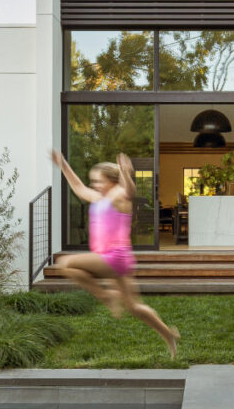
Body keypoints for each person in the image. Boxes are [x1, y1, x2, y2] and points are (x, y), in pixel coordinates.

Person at [50, 149, 180, 358]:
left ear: (112, 181)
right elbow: (79, 187)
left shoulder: (119, 196)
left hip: (113, 257)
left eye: (99, 181)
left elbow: (130, 191)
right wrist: (64, 165)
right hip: (119, 260)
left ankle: (107, 297)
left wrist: (125, 172)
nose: (95, 186)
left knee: (65, 263)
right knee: (134, 306)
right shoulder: (99, 197)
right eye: (94, 182)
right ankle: (169, 335)